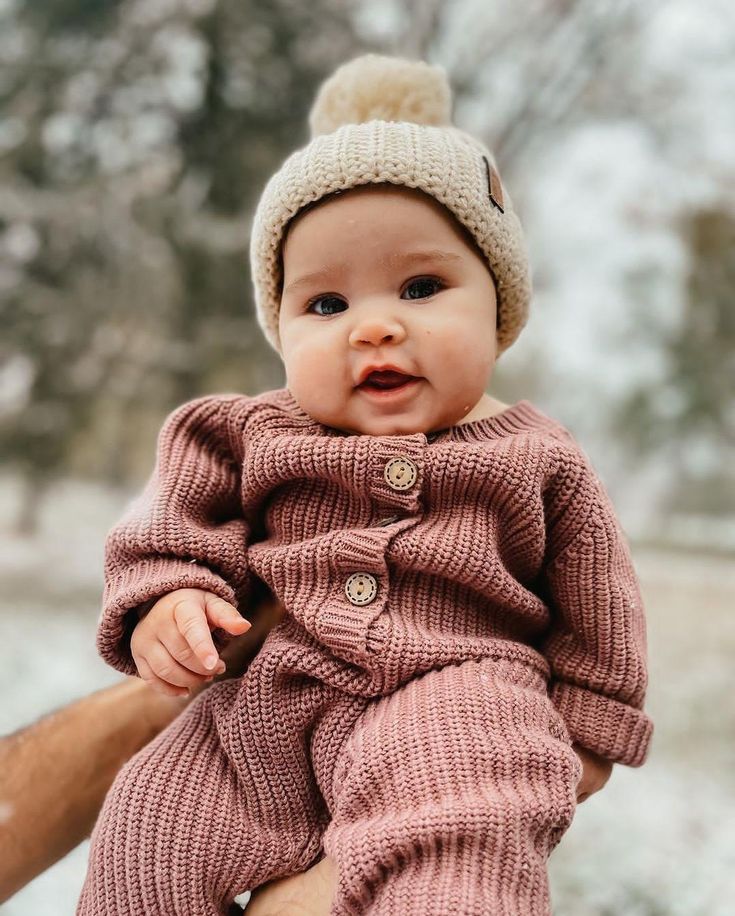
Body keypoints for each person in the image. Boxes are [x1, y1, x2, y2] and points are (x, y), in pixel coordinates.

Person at [77, 53, 653, 915]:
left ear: (497, 313)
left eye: (420, 287)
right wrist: (170, 598)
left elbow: (598, 600)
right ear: (278, 329)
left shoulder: (537, 455)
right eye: (325, 305)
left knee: (455, 851)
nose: (374, 327)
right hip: (271, 705)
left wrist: (588, 737)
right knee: (150, 818)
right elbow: (172, 528)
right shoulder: (246, 434)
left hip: (462, 697)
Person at [0, 595, 334, 914]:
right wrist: (175, 593)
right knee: (142, 823)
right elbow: (171, 545)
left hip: (368, 732)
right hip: (262, 696)